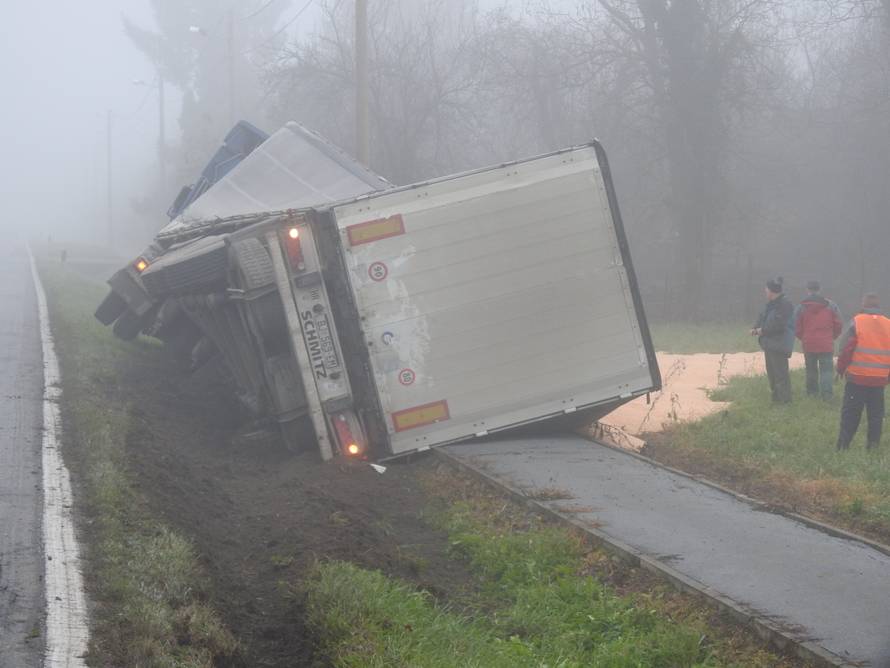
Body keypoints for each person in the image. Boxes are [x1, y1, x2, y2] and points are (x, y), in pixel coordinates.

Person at [835, 293, 890, 450]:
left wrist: (840, 368)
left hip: (857, 378)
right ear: (879, 307)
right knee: (876, 416)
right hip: (879, 380)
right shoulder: (888, 324)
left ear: (863, 305)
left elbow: (846, 348)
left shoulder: (857, 321)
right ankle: (872, 447)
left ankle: (843, 445)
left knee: (851, 413)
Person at [795, 280, 842, 399]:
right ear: (820, 289)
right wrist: (832, 337)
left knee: (811, 370)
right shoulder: (831, 305)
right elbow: (838, 324)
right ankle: (827, 395)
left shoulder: (802, 306)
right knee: (826, 371)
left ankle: (812, 394)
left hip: (809, 343)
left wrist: (803, 337)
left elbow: (796, 325)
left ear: (807, 289)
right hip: (826, 343)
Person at [751, 277, 795, 404]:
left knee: (781, 375)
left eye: (766, 288)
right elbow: (762, 317)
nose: (765, 291)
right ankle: (776, 401)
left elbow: (779, 324)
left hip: (779, 343)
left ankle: (785, 403)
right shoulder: (770, 304)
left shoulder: (785, 304)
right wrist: (755, 327)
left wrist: (762, 331)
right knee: (772, 375)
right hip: (770, 343)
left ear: (772, 290)